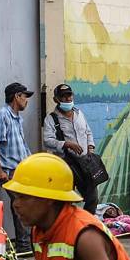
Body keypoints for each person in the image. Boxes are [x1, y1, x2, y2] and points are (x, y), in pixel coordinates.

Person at [0, 82, 34, 253]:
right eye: (25, 96)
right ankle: (23, 245)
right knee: (21, 203)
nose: (27, 101)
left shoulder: (17, 118)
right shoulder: (3, 115)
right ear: (16, 96)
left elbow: (21, 145)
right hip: (9, 171)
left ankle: (27, 242)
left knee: (27, 203)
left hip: (21, 170)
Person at [43, 83, 99, 212]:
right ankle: (67, 226)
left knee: (93, 198)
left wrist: (90, 148)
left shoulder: (79, 114)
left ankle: (86, 224)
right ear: (56, 99)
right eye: (64, 97)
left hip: (85, 163)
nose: (68, 99)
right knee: (66, 200)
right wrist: (66, 144)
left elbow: (88, 132)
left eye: (70, 95)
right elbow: (47, 141)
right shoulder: (51, 119)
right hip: (66, 165)